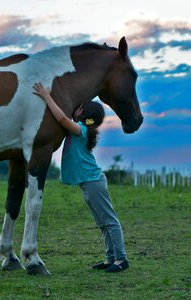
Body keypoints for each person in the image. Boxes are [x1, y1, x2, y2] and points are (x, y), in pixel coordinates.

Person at [32, 82, 129, 273]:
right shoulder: (80, 130)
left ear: (84, 114)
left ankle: (121, 259)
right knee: (102, 223)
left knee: (109, 220)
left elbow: (60, 117)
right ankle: (111, 258)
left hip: (93, 182)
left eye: (80, 106)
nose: (76, 107)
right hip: (88, 183)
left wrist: (46, 96)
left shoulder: (81, 130)